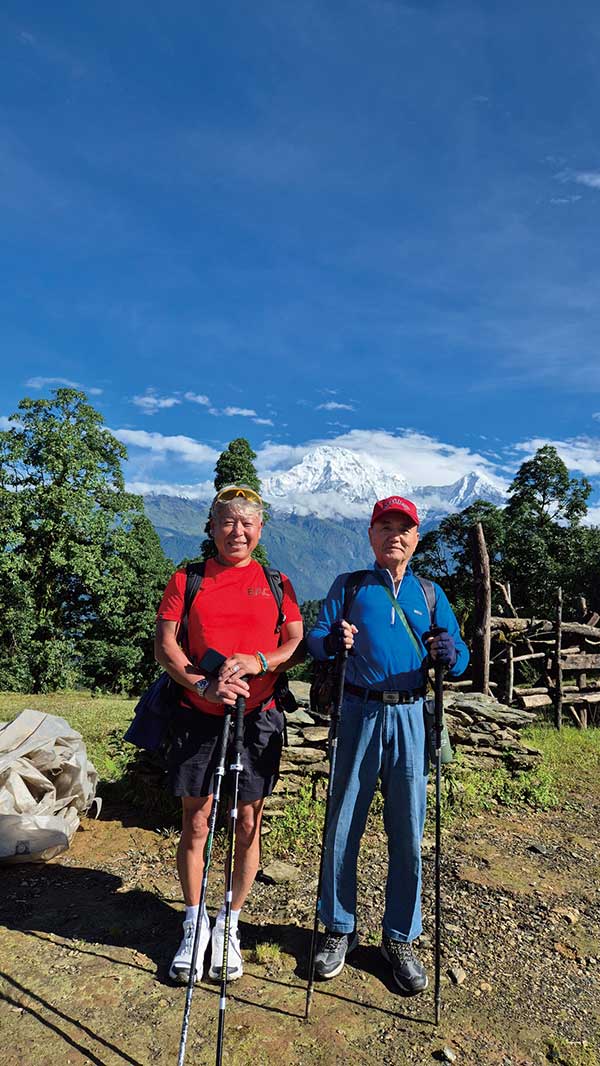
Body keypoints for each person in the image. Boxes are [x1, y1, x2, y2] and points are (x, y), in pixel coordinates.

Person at [306, 494, 468, 994]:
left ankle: (400, 936)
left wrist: (449, 653)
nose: (394, 535)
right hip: (358, 710)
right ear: (371, 536)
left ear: (415, 540)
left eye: (404, 528)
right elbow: (315, 639)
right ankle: (339, 929)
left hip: (412, 715)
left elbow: (459, 657)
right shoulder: (349, 587)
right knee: (342, 826)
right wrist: (334, 641)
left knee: (408, 831)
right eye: (385, 527)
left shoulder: (432, 594)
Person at [155, 484, 303, 985]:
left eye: (247, 522)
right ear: (211, 528)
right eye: (227, 522)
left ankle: (231, 925)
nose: (237, 531)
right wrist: (203, 683)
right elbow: (166, 648)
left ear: (260, 529)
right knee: (196, 825)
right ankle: (195, 924)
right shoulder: (187, 579)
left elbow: (295, 640)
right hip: (199, 716)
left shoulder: (277, 581)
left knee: (246, 823)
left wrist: (262, 661)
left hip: (257, 716)